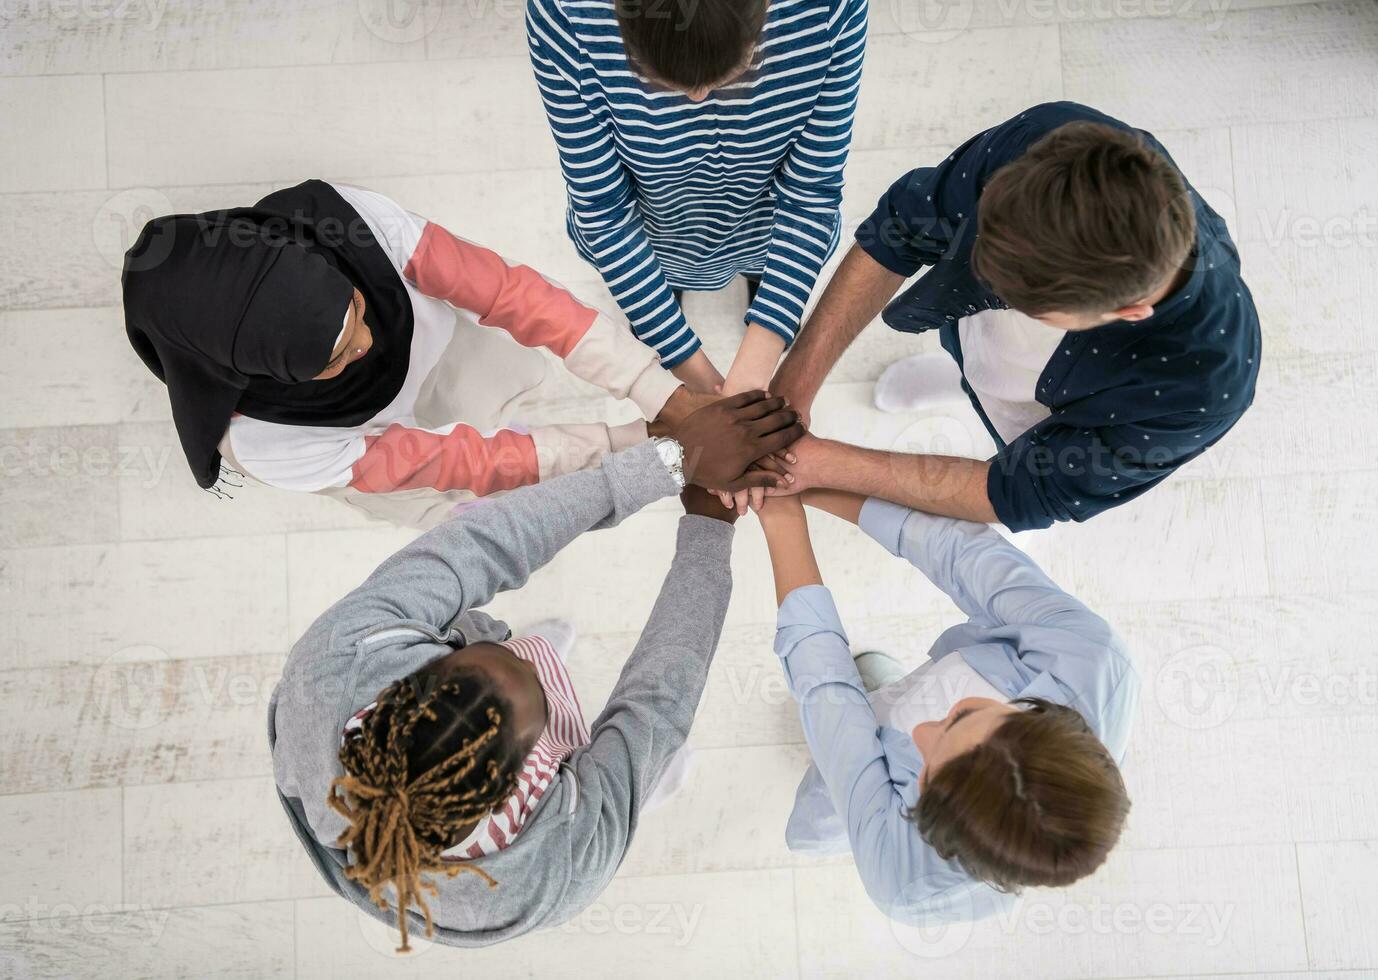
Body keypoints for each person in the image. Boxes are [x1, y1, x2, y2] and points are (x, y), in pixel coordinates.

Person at [270, 392, 804, 951]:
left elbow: (489, 543)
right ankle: (638, 789)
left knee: (533, 667)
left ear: (403, 686)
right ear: (525, 777)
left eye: (474, 659)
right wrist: (708, 527)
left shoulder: (340, 654)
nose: (512, 652)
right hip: (572, 808)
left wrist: (672, 460)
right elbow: (655, 705)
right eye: (532, 696)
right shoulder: (561, 863)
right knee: (638, 761)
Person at [762, 102, 1261, 532]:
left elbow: (1021, 491)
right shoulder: (1049, 140)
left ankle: (982, 393)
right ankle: (961, 380)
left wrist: (823, 462)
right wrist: (794, 389)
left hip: (1053, 407)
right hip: (1014, 345)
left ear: (1127, 312)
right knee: (979, 357)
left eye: (1025, 303)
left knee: (1011, 426)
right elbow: (902, 227)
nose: (988, 291)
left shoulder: (1202, 388)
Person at [122, 179, 713, 529]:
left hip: (438, 348)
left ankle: (524, 432)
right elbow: (458, 463)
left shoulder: (352, 224)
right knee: (468, 501)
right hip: (361, 443)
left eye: (354, 309)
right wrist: (626, 444)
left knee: (483, 397)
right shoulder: (270, 444)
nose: (368, 343)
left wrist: (652, 387)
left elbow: (509, 293)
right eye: (330, 359)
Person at [754, 489, 1137, 923]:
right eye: (963, 715)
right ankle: (883, 692)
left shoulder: (902, 882)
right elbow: (958, 550)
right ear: (1038, 712)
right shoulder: (1090, 656)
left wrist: (780, 516)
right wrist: (803, 483)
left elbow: (830, 695)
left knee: (824, 808)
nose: (920, 734)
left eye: (928, 774)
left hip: (872, 822)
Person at [525, 0, 867, 399]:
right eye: (664, 79)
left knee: (765, 274)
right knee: (658, 291)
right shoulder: (567, 14)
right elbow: (604, 211)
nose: (698, 96)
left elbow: (809, 196)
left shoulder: (829, 10)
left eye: (731, 70)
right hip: (654, 235)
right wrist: (686, 361)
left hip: (768, 231)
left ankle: (761, 287)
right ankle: (666, 296)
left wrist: (764, 344)